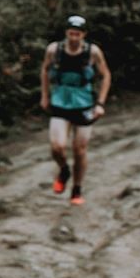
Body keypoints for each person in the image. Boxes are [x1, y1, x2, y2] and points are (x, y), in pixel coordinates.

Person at [40, 14, 112, 205]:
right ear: (66, 33)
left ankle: (77, 189)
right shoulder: (54, 50)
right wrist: (45, 95)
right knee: (57, 147)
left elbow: (106, 75)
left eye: (77, 34)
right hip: (60, 101)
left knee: (79, 150)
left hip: (84, 103)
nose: (74, 38)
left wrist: (101, 103)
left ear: (83, 35)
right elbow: (45, 70)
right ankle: (64, 170)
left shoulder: (93, 52)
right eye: (71, 33)